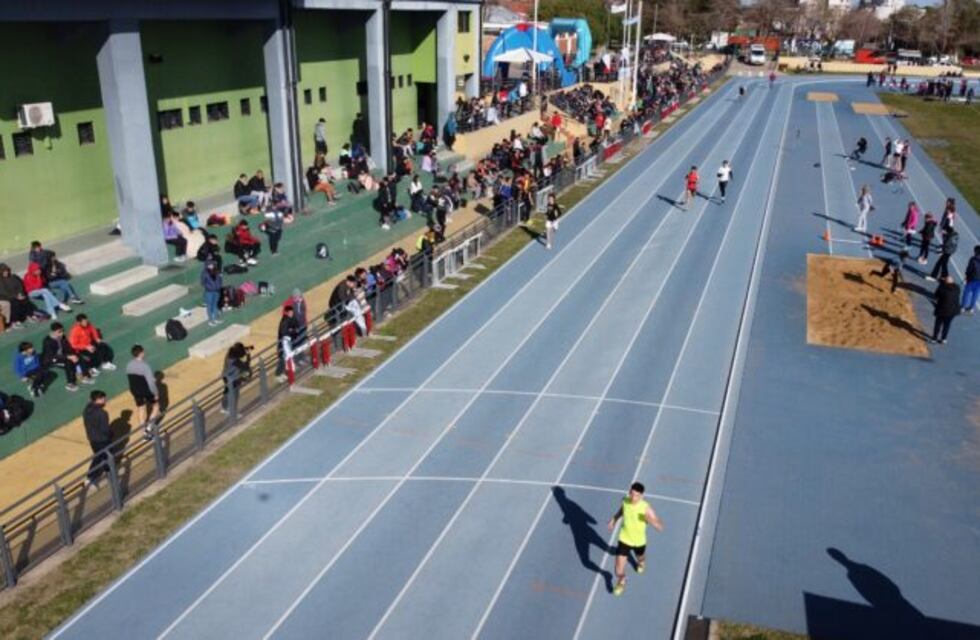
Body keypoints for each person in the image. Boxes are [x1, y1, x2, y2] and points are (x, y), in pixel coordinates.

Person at [607, 482, 664, 596]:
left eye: (637, 495)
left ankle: (641, 562)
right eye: (632, 494)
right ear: (629, 492)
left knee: (641, 558)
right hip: (624, 539)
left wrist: (650, 520)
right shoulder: (625, 501)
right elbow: (622, 510)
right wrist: (614, 519)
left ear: (642, 496)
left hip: (639, 542)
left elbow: (660, 527)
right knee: (618, 570)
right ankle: (622, 580)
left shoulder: (646, 508)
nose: (633, 497)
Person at [43, 322, 94, 392]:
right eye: (59, 332)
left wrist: (74, 355)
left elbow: (68, 348)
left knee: (80, 357)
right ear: (53, 332)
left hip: (64, 356)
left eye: (63, 331)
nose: (62, 333)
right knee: (68, 363)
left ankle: (85, 376)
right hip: (53, 360)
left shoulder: (62, 337)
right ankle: (70, 383)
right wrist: (68, 357)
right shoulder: (47, 342)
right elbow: (52, 355)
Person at [126, 345, 159, 439]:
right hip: (146, 390)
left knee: (141, 408)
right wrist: (155, 393)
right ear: (141, 353)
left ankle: (143, 431)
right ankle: (149, 428)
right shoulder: (145, 366)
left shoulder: (129, 364)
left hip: (135, 390)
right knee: (156, 406)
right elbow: (151, 382)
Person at [83, 390, 112, 489]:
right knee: (99, 457)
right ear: (99, 399)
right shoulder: (102, 413)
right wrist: (110, 434)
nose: (105, 400)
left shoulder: (87, 409)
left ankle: (108, 470)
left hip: (92, 438)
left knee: (102, 456)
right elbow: (105, 429)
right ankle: (90, 477)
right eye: (103, 398)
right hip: (102, 439)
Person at [221, 342, 252, 414]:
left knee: (226, 392)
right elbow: (246, 367)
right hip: (233, 379)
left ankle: (224, 407)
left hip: (225, 376)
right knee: (234, 395)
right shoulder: (235, 361)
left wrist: (244, 349)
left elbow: (237, 352)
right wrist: (248, 355)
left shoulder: (229, 354)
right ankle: (233, 412)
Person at [276, 305, 302, 381]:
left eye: (292, 312)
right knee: (283, 358)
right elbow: (284, 332)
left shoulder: (292, 318)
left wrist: (292, 330)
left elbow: (297, 325)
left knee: (287, 357)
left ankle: (284, 372)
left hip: (290, 340)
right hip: (284, 342)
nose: (291, 313)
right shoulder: (284, 321)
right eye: (290, 312)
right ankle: (278, 374)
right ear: (286, 313)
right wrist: (292, 330)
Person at [932, 275, 961, 344]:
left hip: (942, 310)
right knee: (947, 325)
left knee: (938, 325)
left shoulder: (942, 288)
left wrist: (941, 284)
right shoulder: (957, 288)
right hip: (953, 311)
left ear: (945, 282)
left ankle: (934, 338)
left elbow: (936, 296)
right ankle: (944, 339)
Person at [201, 261, 223, 326]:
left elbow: (220, 279)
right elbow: (203, 282)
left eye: (212, 265)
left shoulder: (217, 272)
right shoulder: (204, 273)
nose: (211, 266)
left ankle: (215, 318)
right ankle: (210, 320)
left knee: (215, 305)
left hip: (216, 291)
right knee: (209, 306)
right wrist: (209, 287)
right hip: (209, 292)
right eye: (209, 265)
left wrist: (219, 286)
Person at [961, 245, 980, 314]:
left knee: (966, 293)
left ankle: (963, 307)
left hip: (972, 278)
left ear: (976, 251)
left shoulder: (973, 259)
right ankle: (971, 308)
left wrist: (966, 275)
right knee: (976, 294)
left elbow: (969, 269)